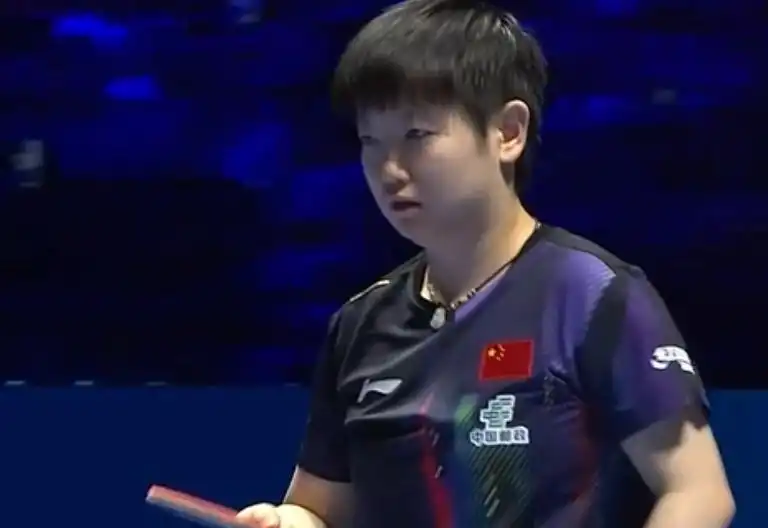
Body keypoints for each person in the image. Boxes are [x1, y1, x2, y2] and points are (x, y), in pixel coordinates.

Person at [236, 0, 735, 526]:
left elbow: (698, 494)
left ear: (508, 132)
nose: (389, 170)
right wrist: (285, 520)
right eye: (370, 142)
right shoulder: (360, 325)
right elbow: (317, 511)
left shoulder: (592, 295)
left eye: (416, 136)